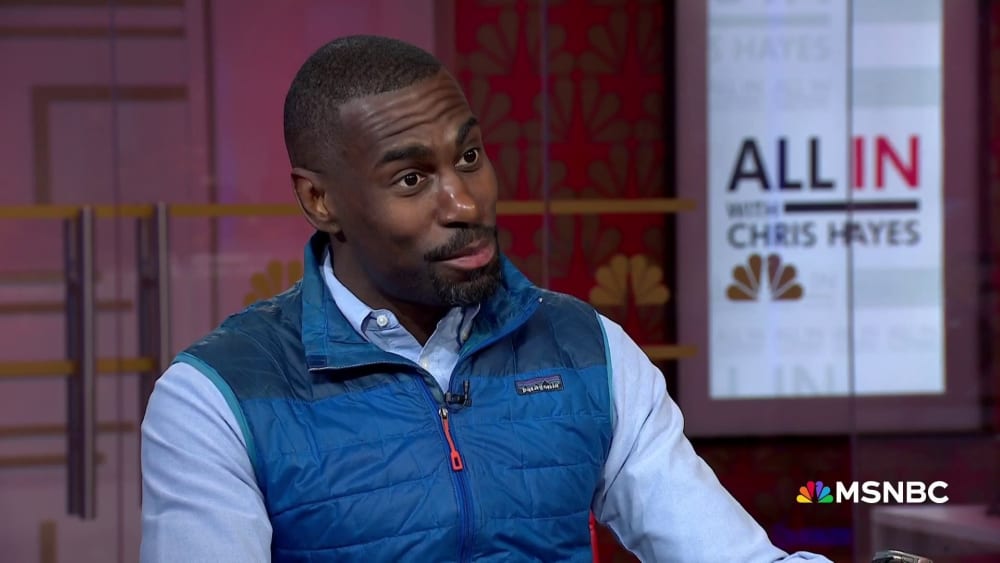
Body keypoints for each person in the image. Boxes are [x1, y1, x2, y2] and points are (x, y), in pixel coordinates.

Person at [140, 35, 831, 562]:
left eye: (468, 157)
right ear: (321, 200)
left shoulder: (586, 349)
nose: (465, 203)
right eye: (412, 179)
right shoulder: (217, 398)